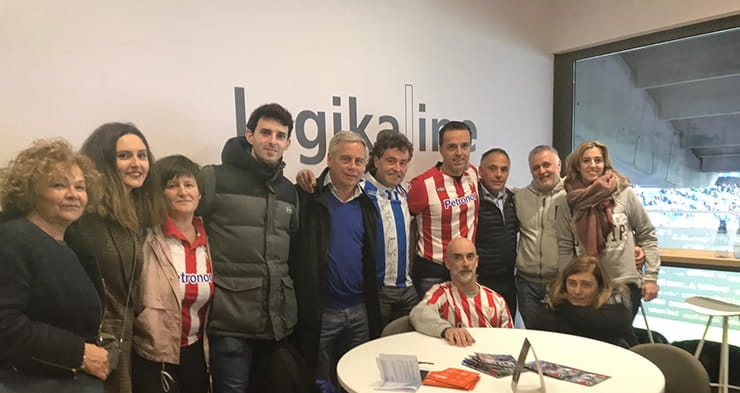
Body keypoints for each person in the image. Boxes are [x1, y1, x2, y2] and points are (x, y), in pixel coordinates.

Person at [196, 103, 299, 393]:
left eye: (280, 135)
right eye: (266, 132)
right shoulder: (214, 178)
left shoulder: (289, 190)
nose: (273, 141)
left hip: (276, 321)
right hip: (230, 320)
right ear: (249, 135)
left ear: (288, 143)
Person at [0, 139, 109, 392]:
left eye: (80, 186)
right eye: (59, 185)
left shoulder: (72, 243)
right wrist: (78, 353)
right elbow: (4, 323)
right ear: (28, 191)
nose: (73, 194)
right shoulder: (12, 240)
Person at [66, 123, 167, 393]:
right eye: (124, 156)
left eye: (142, 155)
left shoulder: (138, 219)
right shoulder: (83, 218)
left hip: (125, 345)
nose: (137, 164)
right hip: (88, 349)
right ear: (103, 162)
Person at [295, 129, 418, 327]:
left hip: (407, 288)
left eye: (403, 163)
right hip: (376, 290)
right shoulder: (361, 190)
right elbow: (330, 183)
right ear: (376, 161)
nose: (398, 168)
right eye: (391, 161)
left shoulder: (405, 191)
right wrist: (305, 176)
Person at [289, 131, 381, 393]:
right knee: (317, 380)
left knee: (356, 380)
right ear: (329, 159)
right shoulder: (307, 196)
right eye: (346, 159)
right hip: (321, 312)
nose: (353, 167)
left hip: (359, 310)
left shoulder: (367, 204)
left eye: (359, 161)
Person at [132, 155, 213, 393]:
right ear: (159, 193)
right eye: (172, 185)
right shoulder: (145, 238)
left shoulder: (210, 240)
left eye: (189, 185)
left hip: (198, 351)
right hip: (153, 355)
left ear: (199, 194)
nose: (182, 192)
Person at [556, 140, 659, 319]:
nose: (593, 165)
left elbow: (647, 235)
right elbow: (565, 247)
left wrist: (651, 277)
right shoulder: (568, 201)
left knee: (619, 336)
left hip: (624, 284)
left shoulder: (624, 193)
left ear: (605, 164)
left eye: (598, 160)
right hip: (587, 288)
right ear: (578, 166)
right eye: (586, 160)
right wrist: (566, 286)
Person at [408, 121, 480, 299]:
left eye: (464, 146)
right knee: (433, 325)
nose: (459, 153)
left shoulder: (472, 173)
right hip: (433, 273)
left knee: (465, 324)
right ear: (441, 149)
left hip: (466, 270)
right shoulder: (422, 185)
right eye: (452, 147)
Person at [410, 237, 512, 348]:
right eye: (458, 257)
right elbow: (418, 314)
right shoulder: (441, 293)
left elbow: (510, 341)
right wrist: (446, 330)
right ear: (447, 263)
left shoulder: (497, 301)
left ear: (476, 261)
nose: (466, 263)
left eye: (470, 257)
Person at [532, 256, 637, 348]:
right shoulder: (555, 295)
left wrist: (563, 310)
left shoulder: (616, 300)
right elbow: (539, 324)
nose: (577, 291)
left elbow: (610, 324)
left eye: (586, 285)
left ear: (599, 287)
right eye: (572, 284)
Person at [514, 145, 565, 328]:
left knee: (562, 337)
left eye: (546, 165)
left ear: (558, 164)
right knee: (534, 336)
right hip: (527, 284)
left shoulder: (572, 196)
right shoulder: (520, 198)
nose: (542, 171)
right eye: (536, 168)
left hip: (560, 282)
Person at [475, 148, 519, 317]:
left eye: (504, 169)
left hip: (508, 281)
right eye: (492, 168)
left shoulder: (513, 199)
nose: (499, 174)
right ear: (480, 171)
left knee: (507, 333)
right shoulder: (472, 199)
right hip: (481, 281)